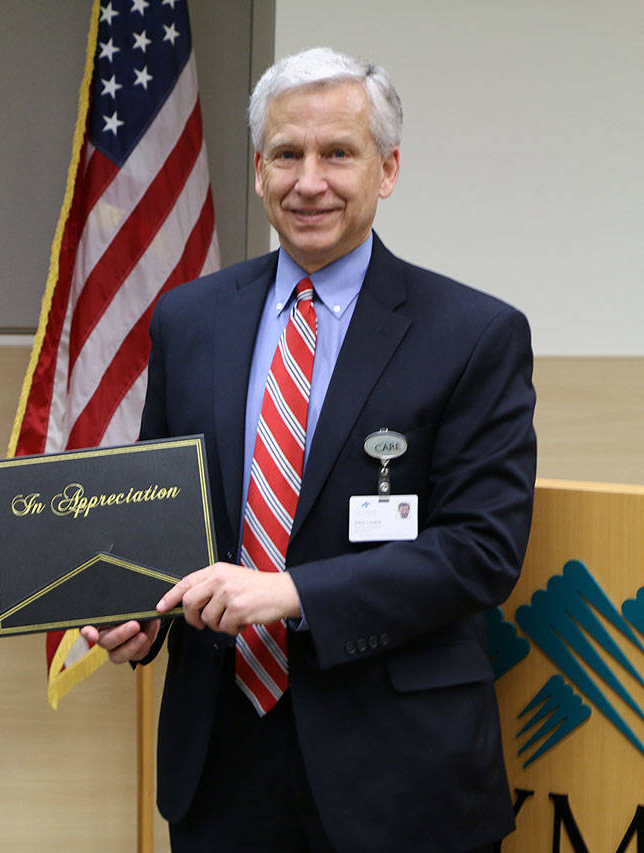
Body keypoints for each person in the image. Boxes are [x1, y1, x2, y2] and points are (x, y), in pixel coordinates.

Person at [82, 47, 536, 852]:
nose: (309, 180)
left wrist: (291, 592)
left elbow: (481, 551)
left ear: (387, 169)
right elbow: (164, 520)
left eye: (339, 153)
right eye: (287, 153)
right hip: (220, 763)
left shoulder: (473, 335)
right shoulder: (188, 321)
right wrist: (140, 617)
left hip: (401, 773)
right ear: (258, 170)